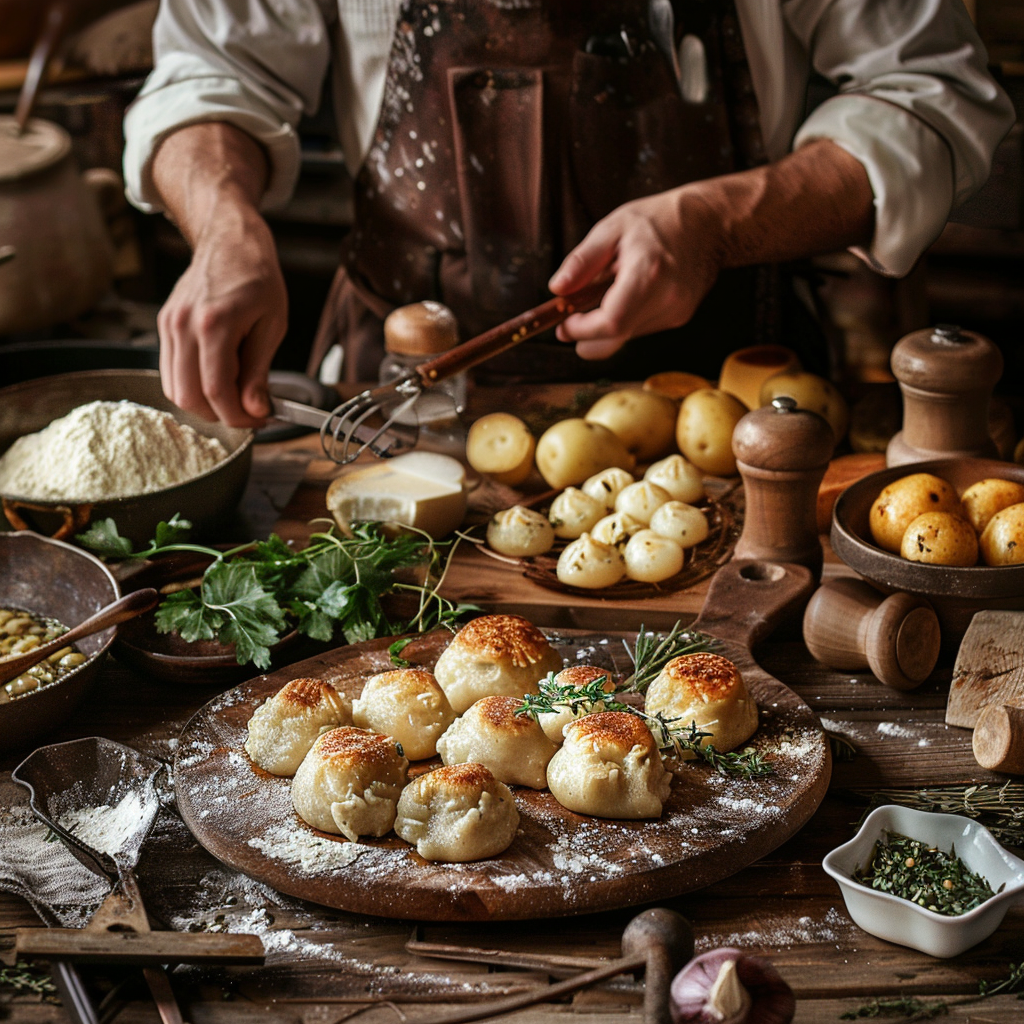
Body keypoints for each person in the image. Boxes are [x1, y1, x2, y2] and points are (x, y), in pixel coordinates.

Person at [123, 0, 1014, 427]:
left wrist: (721, 218)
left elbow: (934, 87)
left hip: (730, 400)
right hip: (398, 407)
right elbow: (210, 71)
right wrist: (225, 226)